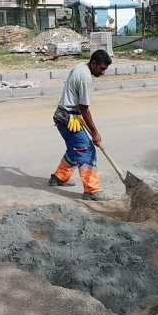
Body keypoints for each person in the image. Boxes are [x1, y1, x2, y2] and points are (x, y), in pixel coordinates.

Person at [50, 49, 112, 201]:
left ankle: (59, 177)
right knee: (87, 151)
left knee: (75, 149)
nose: (103, 72)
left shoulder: (80, 67)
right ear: (93, 63)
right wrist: (95, 133)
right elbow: (84, 108)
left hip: (66, 115)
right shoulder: (85, 78)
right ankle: (91, 191)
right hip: (68, 117)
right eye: (101, 68)